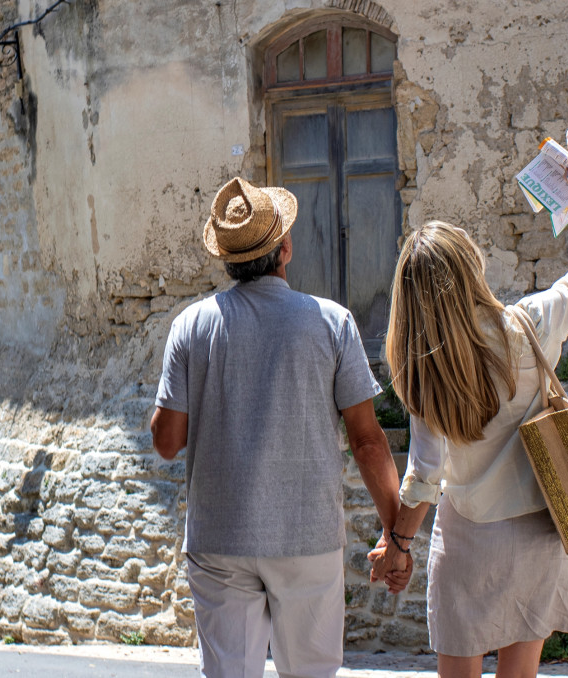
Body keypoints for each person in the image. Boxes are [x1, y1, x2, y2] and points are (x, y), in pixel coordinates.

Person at [150, 177, 415, 678]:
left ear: (226, 260)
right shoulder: (331, 322)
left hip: (220, 537)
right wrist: (395, 531)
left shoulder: (191, 326)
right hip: (306, 535)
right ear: (285, 248)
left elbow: (166, 443)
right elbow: (366, 441)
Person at [379, 130, 568, 678]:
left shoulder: (427, 370)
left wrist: (397, 545)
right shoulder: (529, 323)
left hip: (469, 539)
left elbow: (424, 477)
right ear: (472, 269)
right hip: (539, 526)